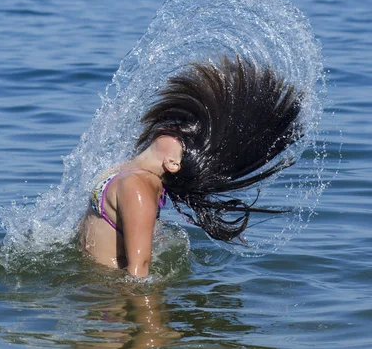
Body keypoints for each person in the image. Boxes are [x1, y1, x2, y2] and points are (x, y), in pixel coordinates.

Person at [78, 55, 304, 277]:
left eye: (181, 136)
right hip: (99, 297)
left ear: (173, 164)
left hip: (110, 307)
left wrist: (143, 315)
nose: (174, 127)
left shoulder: (138, 185)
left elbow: (139, 274)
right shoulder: (133, 174)